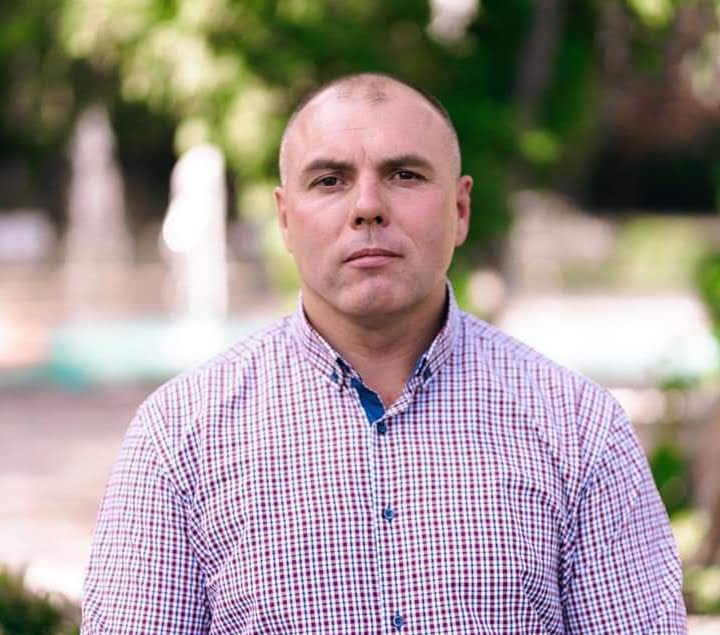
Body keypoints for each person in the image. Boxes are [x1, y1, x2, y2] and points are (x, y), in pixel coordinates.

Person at [81, 73, 687, 634]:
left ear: (460, 210)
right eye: (330, 180)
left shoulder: (578, 427)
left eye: (404, 175)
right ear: (285, 219)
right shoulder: (179, 437)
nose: (367, 206)